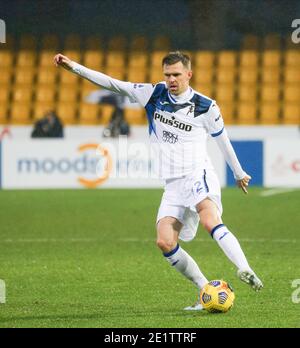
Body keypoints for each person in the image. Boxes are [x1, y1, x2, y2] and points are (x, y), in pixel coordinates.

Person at [54, 51, 263, 310]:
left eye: (176, 74)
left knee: (210, 220)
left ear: (189, 74)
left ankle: (244, 268)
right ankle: (205, 290)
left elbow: (223, 140)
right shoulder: (153, 94)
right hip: (173, 183)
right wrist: (74, 67)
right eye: (167, 75)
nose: (171, 80)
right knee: (165, 241)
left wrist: (239, 172)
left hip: (198, 173)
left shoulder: (205, 105)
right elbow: (112, 83)